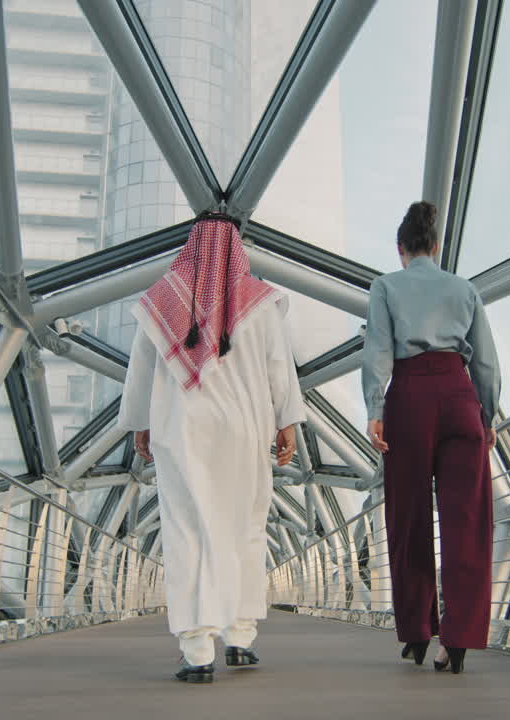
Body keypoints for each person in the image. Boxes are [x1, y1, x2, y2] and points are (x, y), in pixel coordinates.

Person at [119, 215, 306, 684]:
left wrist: (140, 425)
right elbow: (279, 367)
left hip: (180, 426)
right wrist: (287, 422)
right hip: (244, 428)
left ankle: (197, 648)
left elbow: (140, 370)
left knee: (186, 529)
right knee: (246, 525)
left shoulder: (163, 299)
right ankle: (240, 637)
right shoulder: (260, 301)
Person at [362, 201, 499, 675]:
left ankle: (418, 632)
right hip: (460, 395)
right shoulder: (464, 289)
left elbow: (378, 348)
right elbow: (485, 360)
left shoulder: (386, 286)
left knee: (409, 517)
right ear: (436, 247)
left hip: (410, 396)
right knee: (467, 522)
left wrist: (375, 409)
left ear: (401, 249)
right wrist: (488, 415)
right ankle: (456, 640)